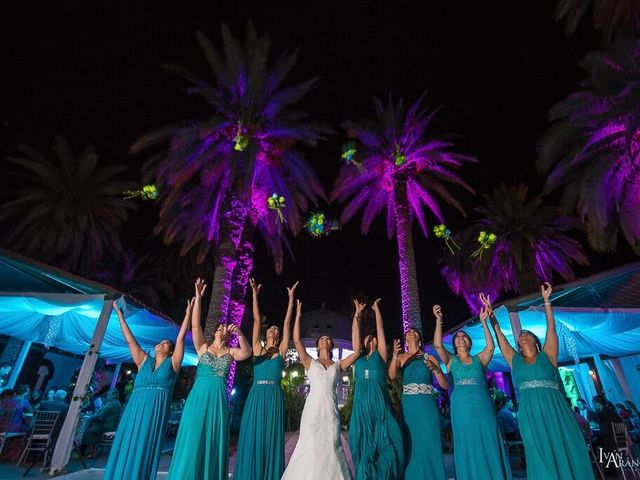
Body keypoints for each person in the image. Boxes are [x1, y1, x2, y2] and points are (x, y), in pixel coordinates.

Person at [491, 282, 594, 480]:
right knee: (536, 450)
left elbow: (551, 328)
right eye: (520, 335)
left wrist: (546, 301)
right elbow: (501, 339)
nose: (522, 336)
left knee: (562, 445)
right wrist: (492, 317)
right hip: (529, 412)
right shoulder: (515, 360)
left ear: (535, 342)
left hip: (554, 407)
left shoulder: (549, 356)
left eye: (526, 334)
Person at [168, 278, 251, 480]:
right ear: (215, 332)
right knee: (193, 435)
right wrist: (198, 297)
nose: (222, 328)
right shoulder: (203, 348)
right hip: (198, 396)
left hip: (218, 398)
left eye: (225, 328)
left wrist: (239, 333)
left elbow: (247, 352)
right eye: (220, 327)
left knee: (212, 437)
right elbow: (195, 326)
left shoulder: (231, 351)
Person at [104, 296, 193, 480]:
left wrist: (188, 313)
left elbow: (181, 337)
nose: (161, 343)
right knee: (127, 442)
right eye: (160, 342)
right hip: (134, 409)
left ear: (170, 350)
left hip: (154, 411)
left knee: (144, 445)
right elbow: (130, 340)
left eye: (166, 343)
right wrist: (119, 314)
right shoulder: (143, 361)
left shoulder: (173, 364)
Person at [281, 299, 362, 480]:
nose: (325, 339)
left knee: (332, 446)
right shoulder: (310, 362)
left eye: (327, 338)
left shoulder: (338, 365)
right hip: (312, 411)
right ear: (317, 346)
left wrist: (356, 317)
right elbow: (296, 340)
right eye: (322, 339)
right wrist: (298, 316)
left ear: (331, 345)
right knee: (309, 446)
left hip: (330, 411)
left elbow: (356, 351)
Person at [433, 297, 511, 480]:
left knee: (488, 438)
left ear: (469, 343)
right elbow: (437, 345)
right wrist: (438, 320)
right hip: (462, 408)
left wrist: (484, 322)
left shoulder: (479, 359)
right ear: (454, 344)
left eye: (463, 337)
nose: (460, 338)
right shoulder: (451, 361)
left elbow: (491, 347)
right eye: (457, 337)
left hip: (483, 405)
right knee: (467, 441)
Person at [234, 278, 298, 480]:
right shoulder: (257, 348)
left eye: (276, 330)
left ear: (278, 336)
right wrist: (254, 295)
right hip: (256, 394)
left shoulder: (281, 350)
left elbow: (287, 323)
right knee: (253, 435)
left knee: (270, 437)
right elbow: (255, 319)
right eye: (271, 328)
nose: (273, 330)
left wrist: (290, 299)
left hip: (274, 395)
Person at [348, 298, 404, 479]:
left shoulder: (380, 356)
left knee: (384, 443)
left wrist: (376, 309)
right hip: (361, 407)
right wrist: (357, 314)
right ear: (364, 344)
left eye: (372, 337)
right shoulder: (358, 359)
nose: (370, 337)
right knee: (363, 445)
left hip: (379, 405)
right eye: (367, 337)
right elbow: (354, 337)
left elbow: (380, 330)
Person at [389, 327, 448, 480]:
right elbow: (392, 375)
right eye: (408, 333)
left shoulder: (430, 357)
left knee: (430, 440)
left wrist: (436, 369)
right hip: (410, 405)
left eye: (415, 332)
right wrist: (395, 355)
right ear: (405, 340)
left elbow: (445, 385)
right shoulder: (401, 357)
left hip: (427, 404)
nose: (411, 333)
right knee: (413, 443)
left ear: (420, 339)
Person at [81, 389, 122, 456]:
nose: (107, 396)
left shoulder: (112, 404)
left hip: (107, 427)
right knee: (90, 426)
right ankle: (88, 451)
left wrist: (90, 417)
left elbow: (100, 416)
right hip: (108, 425)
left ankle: (85, 452)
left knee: (88, 430)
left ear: (114, 395)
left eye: (109, 395)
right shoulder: (114, 403)